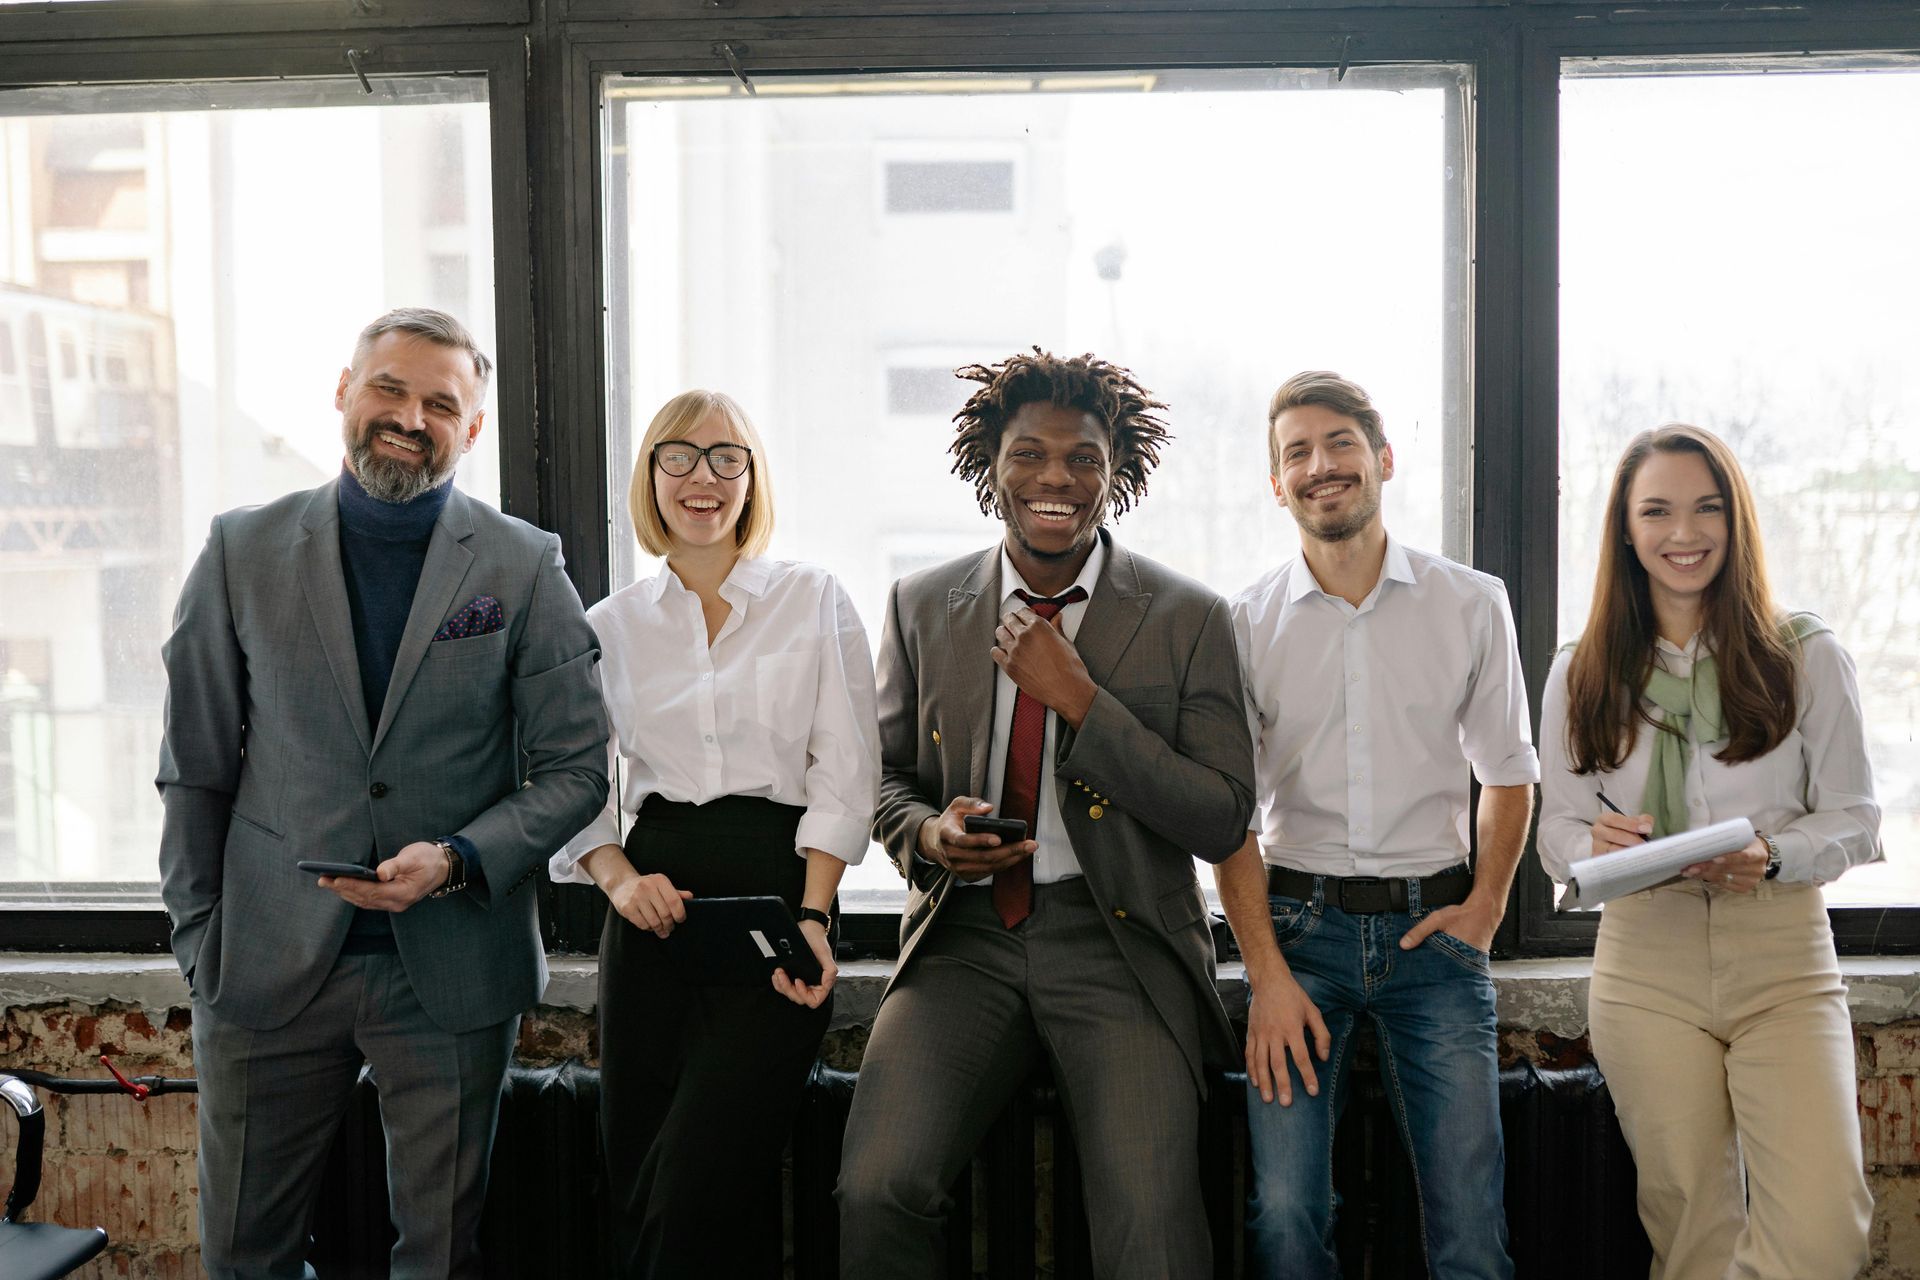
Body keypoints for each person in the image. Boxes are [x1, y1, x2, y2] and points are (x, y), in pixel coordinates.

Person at [156, 308, 608, 1279]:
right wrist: (200, 941)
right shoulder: (241, 550)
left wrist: (458, 856)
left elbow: (578, 769)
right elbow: (195, 762)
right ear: (344, 392)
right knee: (243, 1253)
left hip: (449, 969)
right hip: (264, 965)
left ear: (472, 428)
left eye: (441, 403)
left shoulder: (522, 564)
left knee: (439, 1256)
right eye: (390, 390)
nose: (411, 417)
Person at [835, 348, 1254, 1279]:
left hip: (1122, 945)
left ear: (1118, 474)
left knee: (1153, 1234)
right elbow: (881, 781)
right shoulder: (920, 603)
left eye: (1083, 459)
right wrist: (930, 836)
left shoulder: (1191, 617)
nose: (1054, 479)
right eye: (1028, 454)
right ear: (991, 467)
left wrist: (1083, 703)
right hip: (965, 942)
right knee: (876, 1191)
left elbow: (1222, 817)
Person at [1217, 370, 1537, 1279]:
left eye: (1340, 443)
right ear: (1277, 484)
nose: (1322, 466)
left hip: (1432, 943)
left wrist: (1482, 911)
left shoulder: (1471, 604)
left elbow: (1509, 775)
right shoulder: (1243, 623)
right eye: (1297, 454)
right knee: (1284, 1215)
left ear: (1384, 458)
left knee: (1471, 1221)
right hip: (1297, 939)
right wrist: (1266, 974)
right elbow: (1229, 819)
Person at [551, 389, 879, 1276]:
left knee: (701, 1179)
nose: (705, 477)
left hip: (775, 902)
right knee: (642, 1175)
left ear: (752, 478)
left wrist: (812, 921)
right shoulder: (608, 626)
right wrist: (620, 881)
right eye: (681, 456)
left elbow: (845, 771)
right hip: (652, 904)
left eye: (727, 457)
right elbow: (572, 778)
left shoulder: (813, 600)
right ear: (651, 475)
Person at [1537, 423, 1876, 1278]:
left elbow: (1856, 819)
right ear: (1625, 529)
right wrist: (1593, 840)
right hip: (1647, 957)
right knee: (1690, 1230)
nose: (1683, 534)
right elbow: (1557, 831)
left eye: (1705, 509)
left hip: (1782, 952)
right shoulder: (1581, 671)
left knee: (1825, 1229)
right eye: (1657, 511)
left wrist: (1772, 853)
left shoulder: (1802, 654)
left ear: (1735, 521)